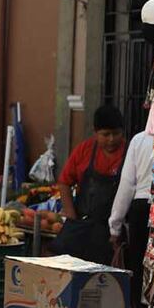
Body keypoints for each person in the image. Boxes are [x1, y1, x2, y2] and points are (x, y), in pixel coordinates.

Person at [54, 106, 127, 265]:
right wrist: (71, 217)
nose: (111, 139)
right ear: (95, 133)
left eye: (116, 133)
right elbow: (64, 183)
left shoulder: (130, 152)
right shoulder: (84, 150)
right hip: (82, 227)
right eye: (105, 134)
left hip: (112, 233)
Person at [109, 128, 153, 308]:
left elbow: (126, 185)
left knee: (143, 280)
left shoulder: (140, 139)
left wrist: (114, 226)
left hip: (143, 212)